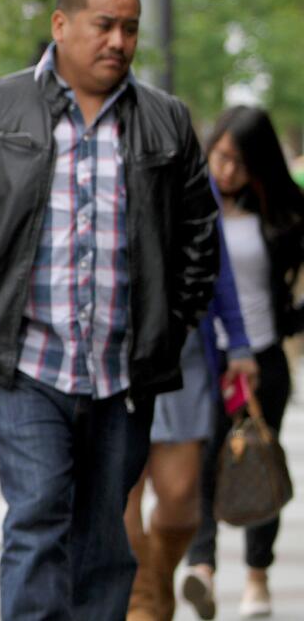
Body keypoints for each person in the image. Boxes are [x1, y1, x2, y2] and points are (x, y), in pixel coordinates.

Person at [0, 0, 219, 620]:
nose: (119, 40)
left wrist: (171, 324)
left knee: (104, 534)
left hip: (123, 372)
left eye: (130, 27)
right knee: (37, 516)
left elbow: (200, 230)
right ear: (62, 26)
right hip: (27, 365)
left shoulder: (165, 120)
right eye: (104, 24)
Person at [182, 105, 304, 620]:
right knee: (202, 464)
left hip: (263, 360)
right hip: (212, 361)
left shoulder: (280, 214)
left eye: (238, 161)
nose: (225, 170)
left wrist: (288, 326)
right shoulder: (194, 206)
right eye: (220, 156)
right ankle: (202, 568)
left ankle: (257, 577)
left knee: (260, 460)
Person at [124, 201, 257, 621]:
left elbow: (217, 264)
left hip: (181, 349)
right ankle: (142, 604)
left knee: (181, 493)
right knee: (121, 492)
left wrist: (238, 342)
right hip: (110, 351)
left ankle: (157, 585)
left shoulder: (181, 160)